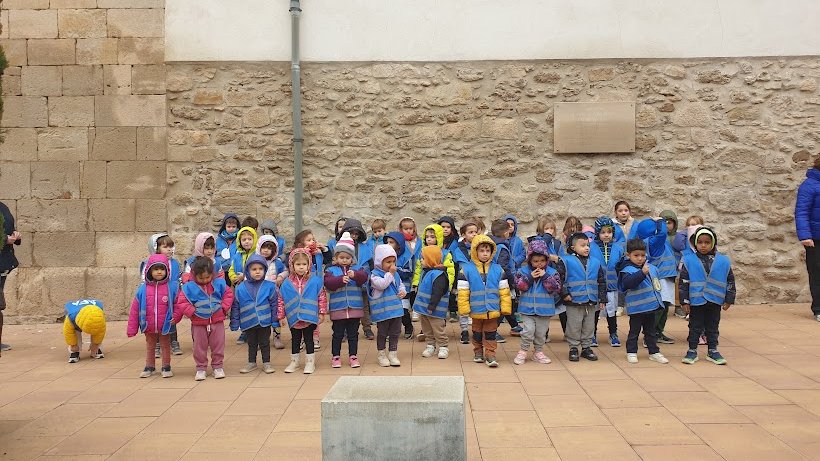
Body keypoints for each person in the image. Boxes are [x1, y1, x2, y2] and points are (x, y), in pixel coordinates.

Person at [680, 227, 735, 365]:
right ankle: (692, 350)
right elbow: (683, 283)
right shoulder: (688, 260)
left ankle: (713, 350)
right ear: (695, 244)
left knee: (713, 326)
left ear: (713, 243)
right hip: (696, 300)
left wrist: (729, 299)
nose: (703, 245)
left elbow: (730, 280)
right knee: (695, 326)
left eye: (707, 242)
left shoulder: (723, 261)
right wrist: (684, 301)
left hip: (715, 301)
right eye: (700, 242)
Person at [174, 257, 234, 381]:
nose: (205, 280)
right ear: (194, 275)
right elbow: (182, 301)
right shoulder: (188, 287)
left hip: (217, 321)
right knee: (199, 346)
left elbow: (228, 294)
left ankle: (218, 366)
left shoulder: (219, 283)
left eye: (207, 277)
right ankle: (201, 368)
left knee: (218, 345)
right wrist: (191, 312)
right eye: (201, 278)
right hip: (198, 322)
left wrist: (223, 308)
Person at [457, 235, 512, 368]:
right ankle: (478, 351)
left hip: (492, 309)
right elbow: (463, 292)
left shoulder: (498, 269)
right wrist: (464, 308)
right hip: (476, 309)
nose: (485, 254)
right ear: (475, 251)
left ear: (492, 252)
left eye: (488, 251)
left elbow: (504, 290)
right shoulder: (466, 270)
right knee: (476, 332)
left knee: (491, 333)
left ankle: (490, 353)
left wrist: (505, 307)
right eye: (482, 251)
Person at [617, 239, 670, 364]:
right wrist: (641, 273)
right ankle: (631, 352)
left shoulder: (651, 268)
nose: (640, 258)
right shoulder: (627, 269)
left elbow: (656, 285)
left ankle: (654, 352)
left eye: (642, 255)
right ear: (628, 255)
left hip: (650, 306)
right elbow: (628, 283)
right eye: (636, 255)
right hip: (637, 308)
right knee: (634, 332)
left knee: (650, 332)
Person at [128, 254, 177, 378]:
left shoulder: (171, 287)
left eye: (162, 269)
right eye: (156, 269)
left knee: (165, 345)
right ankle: (149, 366)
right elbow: (134, 309)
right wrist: (132, 328)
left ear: (167, 271)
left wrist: (176, 316)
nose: (159, 272)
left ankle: (166, 366)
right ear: (149, 271)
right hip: (148, 324)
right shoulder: (142, 289)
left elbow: (178, 304)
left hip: (165, 324)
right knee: (150, 346)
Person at [278, 248, 327, 374]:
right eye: (298, 264)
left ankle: (310, 362)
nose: (301, 267)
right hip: (294, 317)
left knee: (309, 339)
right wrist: (281, 315)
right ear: (292, 265)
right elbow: (281, 299)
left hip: (309, 317)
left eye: (304, 264)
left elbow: (321, 296)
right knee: (295, 339)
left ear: (309, 265)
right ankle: (294, 362)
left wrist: (322, 312)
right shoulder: (286, 283)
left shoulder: (315, 280)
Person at [324, 232, 368, 368]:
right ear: (336, 258)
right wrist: (340, 280)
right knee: (337, 334)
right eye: (341, 257)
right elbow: (328, 283)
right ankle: (335, 356)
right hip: (338, 309)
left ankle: (353, 356)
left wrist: (355, 275)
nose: (344, 260)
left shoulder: (357, 269)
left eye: (347, 258)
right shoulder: (331, 270)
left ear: (352, 258)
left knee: (353, 334)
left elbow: (364, 277)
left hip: (354, 308)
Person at [514, 239, 561, 365]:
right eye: (535, 261)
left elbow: (555, 288)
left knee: (541, 333)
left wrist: (545, 277)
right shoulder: (522, 271)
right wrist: (529, 277)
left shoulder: (552, 273)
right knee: (528, 331)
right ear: (530, 260)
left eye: (542, 261)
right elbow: (519, 286)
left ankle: (538, 352)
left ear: (547, 260)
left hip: (544, 310)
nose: (539, 264)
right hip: (527, 309)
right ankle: (523, 350)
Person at [230, 254, 278, 374]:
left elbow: (274, 304)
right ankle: (252, 362)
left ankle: (266, 363)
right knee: (252, 343)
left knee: (264, 343)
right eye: (254, 269)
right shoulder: (240, 288)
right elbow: (236, 306)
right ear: (247, 271)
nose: (257, 272)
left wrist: (275, 320)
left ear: (265, 270)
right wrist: (234, 322)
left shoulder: (270, 286)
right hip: (248, 322)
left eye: (260, 269)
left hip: (265, 321)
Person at [561, 232, 605, 362]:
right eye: (583, 245)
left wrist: (602, 298)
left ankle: (586, 347)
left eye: (588, 245)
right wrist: (565, 294)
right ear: (573, 248)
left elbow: (601, 281)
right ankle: (573, 347)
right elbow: (560, 279)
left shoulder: (596, 262)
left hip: (590, 301)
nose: (587, 248)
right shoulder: (566, 260)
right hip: (574, 301)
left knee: (589, 325)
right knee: (574, 325)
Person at [411, 224, 456, 341]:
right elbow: (418, 269)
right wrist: (416, 283)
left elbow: (450, 271)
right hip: (424, 284)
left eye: (432, 237)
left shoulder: (445, 253)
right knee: (424, 310)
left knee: (437, 310)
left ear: (439, 238)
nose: (429, 239)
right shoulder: (423, 252)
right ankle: (426, 332)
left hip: (439, 286)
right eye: (427, 237)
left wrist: (448, 285)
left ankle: (439, 335)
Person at [370, 244, 406, 367]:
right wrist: (390, 274)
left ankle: (393, 353)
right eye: (388, 262)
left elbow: (400, 284)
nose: (391, 264)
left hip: (395, 310)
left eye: (393, 261)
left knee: (395, 332)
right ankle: (381, 354)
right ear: (380, 262)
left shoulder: (395, 274)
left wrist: (403, 291)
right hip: (382, 312)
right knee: (382, 333)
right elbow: (382, 285)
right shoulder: (374, 275)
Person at [589, 217, 623, 347]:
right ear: (597, 233)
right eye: (603, 232)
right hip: (596, 286)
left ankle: (613, 333)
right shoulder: (591, 247)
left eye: (609, 232)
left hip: (612, 285)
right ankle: (592, 334)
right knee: (595, 311)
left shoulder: (618, 248)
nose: (606, 235)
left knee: (611, 311)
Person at [415, 246, 450, 359]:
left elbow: (437, 293)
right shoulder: (427, 272)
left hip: (434, 310)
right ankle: (430, 345)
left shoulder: (439, 275)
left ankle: (443, 346)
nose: (421, 260)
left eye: (423, 258)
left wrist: (432, 306)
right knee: (427, 329)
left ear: (431, 259)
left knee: (438, 329)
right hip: (424, 310)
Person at [795, 157, 820, 321]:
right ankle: (818, 309)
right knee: (817, 273)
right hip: (815, 239)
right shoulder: (809, 185)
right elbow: (801, 211)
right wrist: (805, 236)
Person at [489, 219, 521, 341]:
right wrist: (512, 282)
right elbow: (504, 267)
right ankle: (492, 331)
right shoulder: (502, 247)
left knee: (509, 304)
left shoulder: (492, 244)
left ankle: (514, 325)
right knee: (503, 306)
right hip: (503, 282)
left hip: (495, 280)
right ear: (505, 233)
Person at [229, 226, 259, 346]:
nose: (247, 241)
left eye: (249, 239)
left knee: (252, 309)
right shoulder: (237, 255)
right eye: (244, 239)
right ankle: (244, 331)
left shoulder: (256, 255)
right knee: (242, 309)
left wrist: (244, 276)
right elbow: (231, 269)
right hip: (240, 287)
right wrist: (233, 278)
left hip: (253, 288)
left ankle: (254, 330)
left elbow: (258, 271)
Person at [256, 235, 286, 349]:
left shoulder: (277, 263)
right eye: (264, 247)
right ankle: (261, 339)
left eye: (269, 248)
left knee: (276, 315)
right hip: (260, 294)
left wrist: (280, 277)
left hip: (274, 294)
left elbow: (285, 271)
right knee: (262, 315)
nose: (266, 250)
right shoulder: (255, 261)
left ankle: (277, 336)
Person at [453, 221, 479, 344]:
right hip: (464, 280)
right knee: (463, 305)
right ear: (464, 234)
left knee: (475, 304)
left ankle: (476, 329)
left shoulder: (481, 246)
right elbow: (463, 264)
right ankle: (464, 330)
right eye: (470, 232)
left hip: (478, 280)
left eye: (475, 232)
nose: (473, 234)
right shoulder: (459, 248)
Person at [0, 201, 20, 354]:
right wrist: (4, 240)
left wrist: (15, 236)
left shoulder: (2, 206)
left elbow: (8, 227)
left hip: (4, 260)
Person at [63, 299, 106, 363]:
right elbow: (68, 333)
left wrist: (95, 343)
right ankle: (75, 352)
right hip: (76, 317)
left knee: (97, 329)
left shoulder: (100, 316)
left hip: (94, 315)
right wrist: (73, 345)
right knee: (75, 332)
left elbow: (101, 331)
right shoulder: (70, 318)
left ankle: (97, 348)